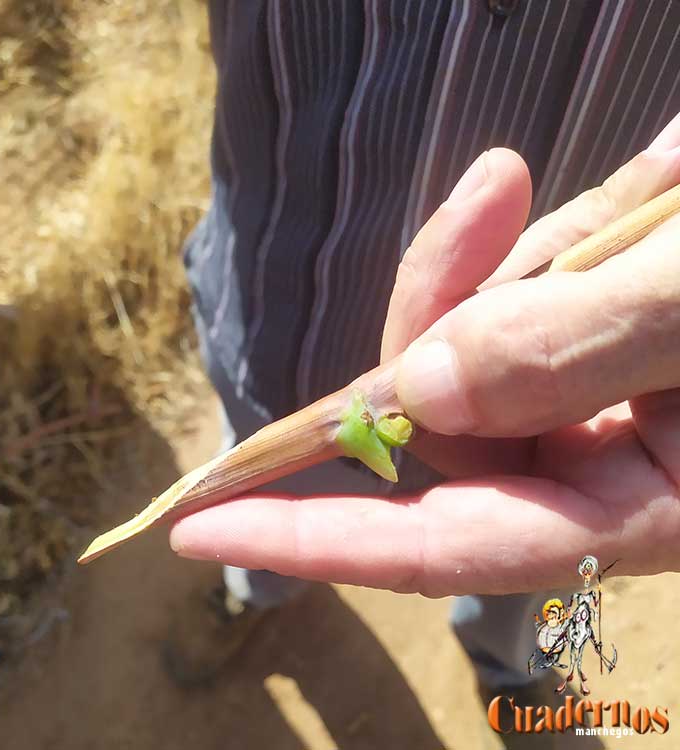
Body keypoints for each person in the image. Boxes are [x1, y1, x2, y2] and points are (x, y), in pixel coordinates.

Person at [166, 0, 680, 717]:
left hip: (580, 374)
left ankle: (501, 664)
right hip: (285, 296)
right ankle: (252, 591)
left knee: (529, 549)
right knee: (260, 509)